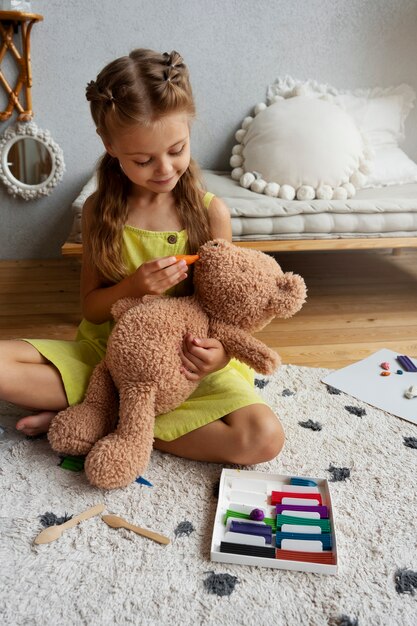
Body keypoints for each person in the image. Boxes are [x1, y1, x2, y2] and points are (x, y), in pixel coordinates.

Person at [0, 49, 284, 464]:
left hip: (186, 369)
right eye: (143, 159)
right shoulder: (99, 210)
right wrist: (133, 287)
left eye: (177, 149)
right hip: (111, 357)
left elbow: (229, 311)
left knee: (263, 438)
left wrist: (218, 355)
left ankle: (104, 419)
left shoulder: (210, 213)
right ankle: (112, 410)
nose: (165, 168)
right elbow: (93, 311)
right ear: (109, 144)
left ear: (188, 127)